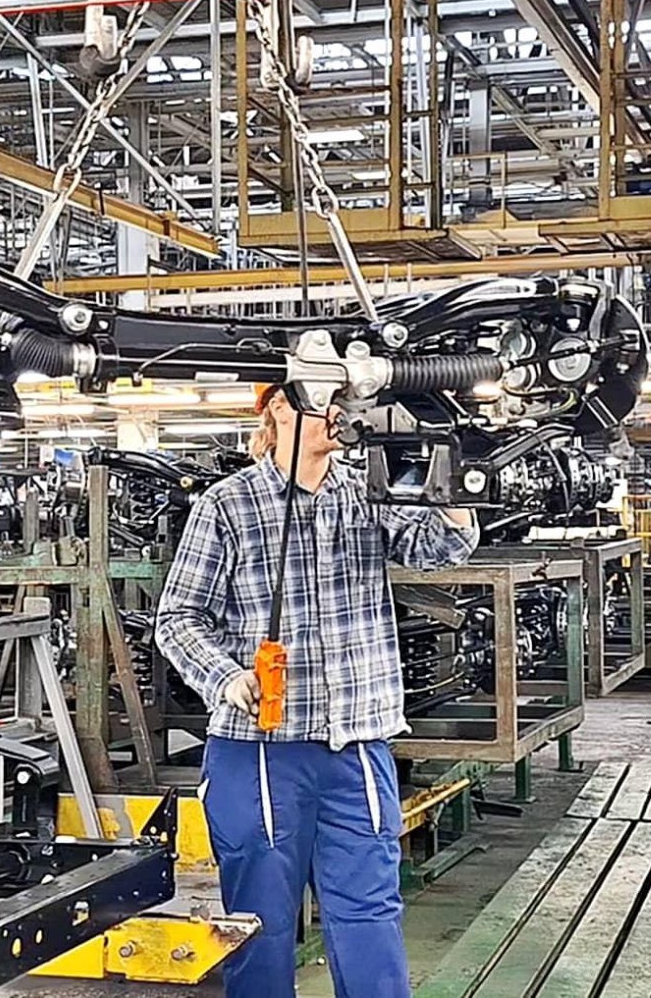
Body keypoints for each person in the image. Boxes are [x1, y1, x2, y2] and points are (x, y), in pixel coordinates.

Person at [155, 384, 478, 998]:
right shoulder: (227, 506)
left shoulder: (367, 495)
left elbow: (443, 546)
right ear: (279, 407)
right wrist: (225, 677)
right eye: (325, 397)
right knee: (261, 923)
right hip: (259, 751)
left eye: (346, 400)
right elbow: (177, 619)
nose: (340, 413)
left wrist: (456, 471)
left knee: (369, 914)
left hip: (355, 746)